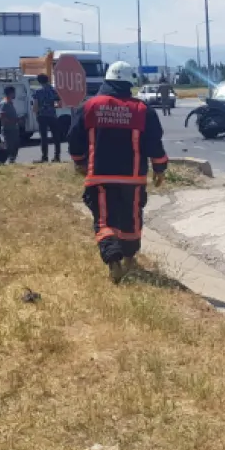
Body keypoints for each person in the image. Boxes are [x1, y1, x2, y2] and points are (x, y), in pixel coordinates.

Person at [68, 61, 169, 283]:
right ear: (129, 83)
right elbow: (154, 143)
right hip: (132, 179)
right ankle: (130, 258)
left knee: (105, 221)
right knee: (131, 219)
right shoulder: (142, 110)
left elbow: (74, 139)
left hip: (100, 176)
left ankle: (112, 260)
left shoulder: (89, 106)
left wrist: (80, 161)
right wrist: (160, 168)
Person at [32, 73, 62, 163]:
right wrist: (52, 107)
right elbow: (59, 104)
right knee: (56, 136)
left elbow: (35, 105)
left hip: (42, 115)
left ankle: (44, 157)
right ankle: (57, 156)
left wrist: (36, 113)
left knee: (44, 137)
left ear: (39, 81)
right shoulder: (54, 91)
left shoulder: (37, 92)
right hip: (52, 115)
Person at [0, 85, 21, 163]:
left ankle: (12, 160)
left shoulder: (10, 102)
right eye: (14, 93)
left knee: (15, 145)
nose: (15, 94)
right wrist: (14, 121)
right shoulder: (4, 103)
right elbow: (3, 117)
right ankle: (9, 160)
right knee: (9, 146)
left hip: (14, 127)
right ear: (10, 93)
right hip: (8, 129)